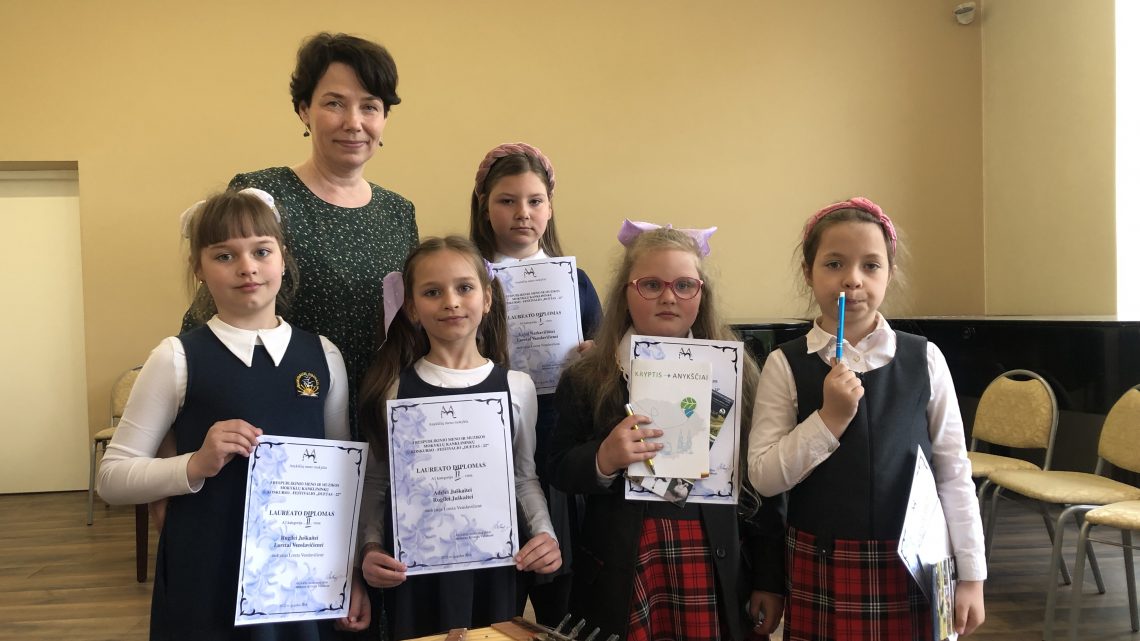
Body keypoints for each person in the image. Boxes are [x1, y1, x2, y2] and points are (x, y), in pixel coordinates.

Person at [97, 189, 369, 640]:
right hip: (207, 573)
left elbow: (343, 480)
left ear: (283, 258)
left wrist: (350, 570)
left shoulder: (323, 355)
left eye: (261, 251)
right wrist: (194, 464)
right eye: (224, 255)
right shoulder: (176, 358)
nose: (247, 267)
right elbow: (112, 478)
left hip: (299, 580)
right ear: (199, 270)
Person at [746, 197, 986, 639]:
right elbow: (764, 476)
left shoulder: (925, 359)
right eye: (834, 263)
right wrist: (828, 419)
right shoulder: (785, 364)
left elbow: (953, 472)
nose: (852, 279)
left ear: (889, 273)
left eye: (871, 265)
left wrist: (971, 576)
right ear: (808, 272)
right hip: (822, 563)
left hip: (915, 563)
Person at [548, 223, 786, 641]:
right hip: (625, 564)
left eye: (684, 285)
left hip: (712, 556)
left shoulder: (737, 375)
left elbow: (762, 484)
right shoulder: (587, 377)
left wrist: (769, 577)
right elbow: (559, 468)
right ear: (625, 292)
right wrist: (603, 459)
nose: (668, 297)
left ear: (702, 294)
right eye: (651, 285)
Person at [182, 32, 419, 436]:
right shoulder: (262, 194)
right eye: (334, 103)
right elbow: (206, 318)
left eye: (370, 106)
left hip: (378, 419)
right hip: (276, 416)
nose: (354, 122)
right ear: (304, 110)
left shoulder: (399, 212)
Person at [355, 236, 561, 640]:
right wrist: (370, 548)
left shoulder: (517, 387)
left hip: (495, 568)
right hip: (414, 575)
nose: (450, 302)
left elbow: (523, 478)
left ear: (487, 298)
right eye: (432, 292)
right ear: (411, 308)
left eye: (464, 287)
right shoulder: (392, 390)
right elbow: (378, 483)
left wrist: (545, 534)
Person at [468, 141, 601, 624]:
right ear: (484, 206)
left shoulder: (575, 282)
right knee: (494, 595)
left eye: (534, 200)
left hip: (558, 442)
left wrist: (594, 359)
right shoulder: (467, 281)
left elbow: (606, 369)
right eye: (507, 200)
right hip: (485, 443)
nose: (522, 213)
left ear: (550, 207)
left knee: (561, 596)